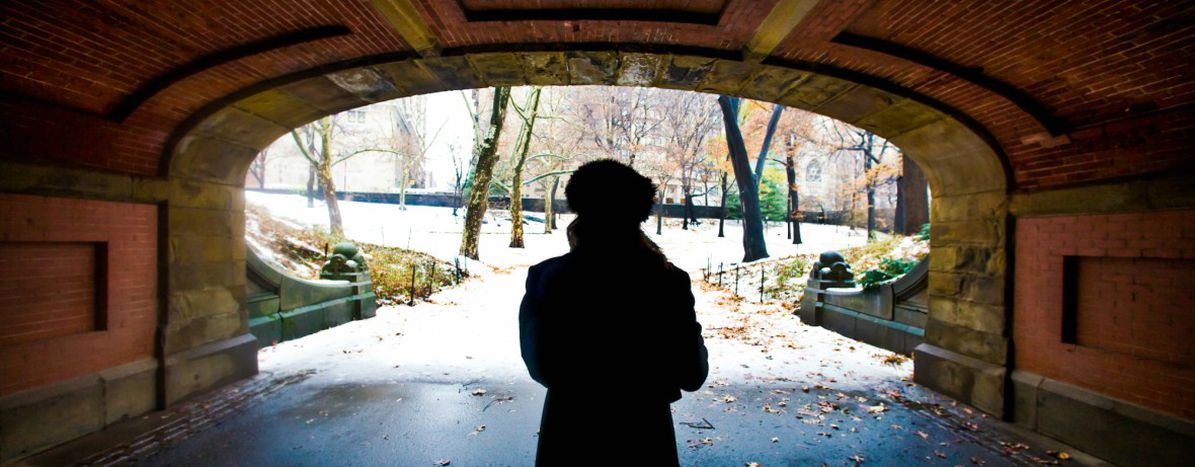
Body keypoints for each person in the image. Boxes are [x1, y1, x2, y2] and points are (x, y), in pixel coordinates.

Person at [519, 159, 709, 466]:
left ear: (580, 209)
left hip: (568, 436)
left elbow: (539, 365)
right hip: (644, 438)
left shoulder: (546, 278)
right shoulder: (669, 281)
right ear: (638, 213)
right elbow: (692, 374)